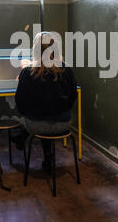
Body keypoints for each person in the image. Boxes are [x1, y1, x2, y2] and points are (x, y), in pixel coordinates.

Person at [15, 31, 77, 173]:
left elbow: (20, 104)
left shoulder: (27, 73)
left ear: (35, 50)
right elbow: (73, 98)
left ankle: (22, 140)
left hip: (36, 126)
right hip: (64, 124)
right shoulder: (67, 70)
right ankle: (48, 158)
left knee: (38, 116)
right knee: (48, 113)